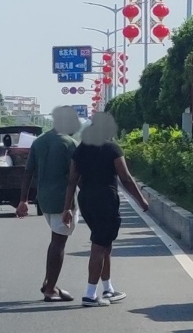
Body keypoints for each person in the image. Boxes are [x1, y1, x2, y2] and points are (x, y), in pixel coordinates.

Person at [61, 111, 149, 308]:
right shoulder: (112, 148)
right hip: (105, 200)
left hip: (86, 199)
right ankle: (90, 294)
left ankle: (108, 288)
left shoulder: (81, 149)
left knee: (104, 242)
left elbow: (72, 180)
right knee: (99, 245)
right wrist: (141, 200)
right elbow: (125, 178)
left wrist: (67, 208)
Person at [16, 107, 80, 302]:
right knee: (58, 243)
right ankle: (50, 289)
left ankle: (49, 282)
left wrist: (23, 200)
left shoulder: (39, 141)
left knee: (56, 239)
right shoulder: (70, 144)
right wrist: (69, 206)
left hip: (44, 198)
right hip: (64, 200)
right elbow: (75, 177)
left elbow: (28, 172)